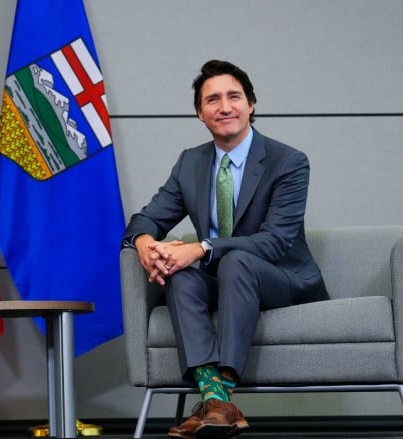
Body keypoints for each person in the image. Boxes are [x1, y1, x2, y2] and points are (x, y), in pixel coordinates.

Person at [123, 60, 328, 439]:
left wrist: (201, 247)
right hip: (225, 278)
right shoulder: (191, 162)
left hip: (280, 278)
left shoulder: (288, 161)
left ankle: (220, 395)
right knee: (180, 273)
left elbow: (275, 241)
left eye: (234, 96)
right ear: (200, 114)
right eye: (212, 100)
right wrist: (146, 245)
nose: (224, 106)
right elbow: (145, 219)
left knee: (233, 261)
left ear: (251, 104)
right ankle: (218, 404)